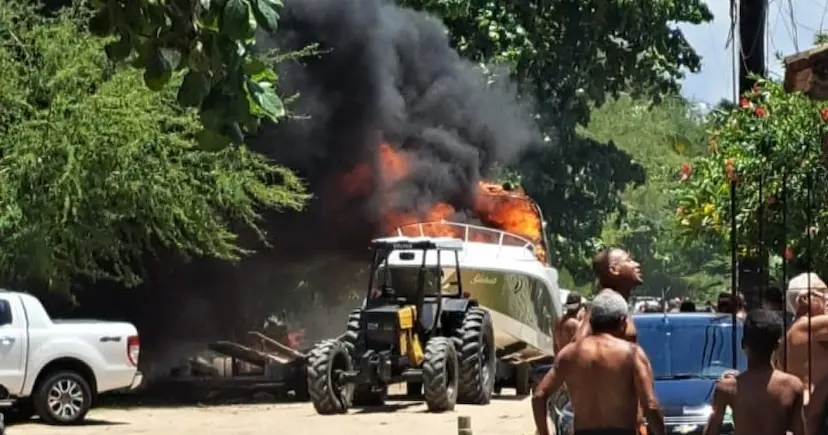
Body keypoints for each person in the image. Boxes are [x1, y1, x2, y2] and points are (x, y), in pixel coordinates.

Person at [532, 291, 664, 435]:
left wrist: (544, 432)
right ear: (622, 321)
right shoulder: (632, 354)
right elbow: (650, 405)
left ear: (591, 322)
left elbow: (539, 395)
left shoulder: (570, 353)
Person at [704, 309, 805, 435]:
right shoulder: (793, 386)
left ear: (743, 343)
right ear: (777, 345)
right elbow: (800, 431)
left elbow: (711, 430)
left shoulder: (727, 387)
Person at [774, 273, 828, 407]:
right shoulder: (808, 326)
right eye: (824, 293)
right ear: (805, 299)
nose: (827, 298)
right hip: (817, 412)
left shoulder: (789, 333)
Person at [573, 248, 643, 342]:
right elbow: (578, 342)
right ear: (614, 270)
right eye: (629, 260)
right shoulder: (606, 300)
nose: (637, 264)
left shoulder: (615, 302)